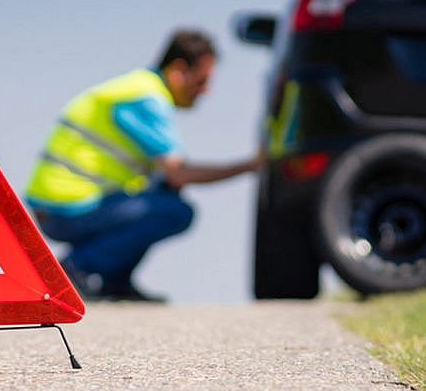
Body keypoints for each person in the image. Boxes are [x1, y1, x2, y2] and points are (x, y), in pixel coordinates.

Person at [24, 29, 262, 302]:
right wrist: (250, 165)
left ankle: (114, 281)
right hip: (65, 209)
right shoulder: (145, 99)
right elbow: (179, 173)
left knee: (166, 194)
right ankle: (77, 269)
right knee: (174, 210)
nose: (206, 91)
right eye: (201, 81)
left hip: (65, 204)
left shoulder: (137, 87)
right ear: (178, 71)